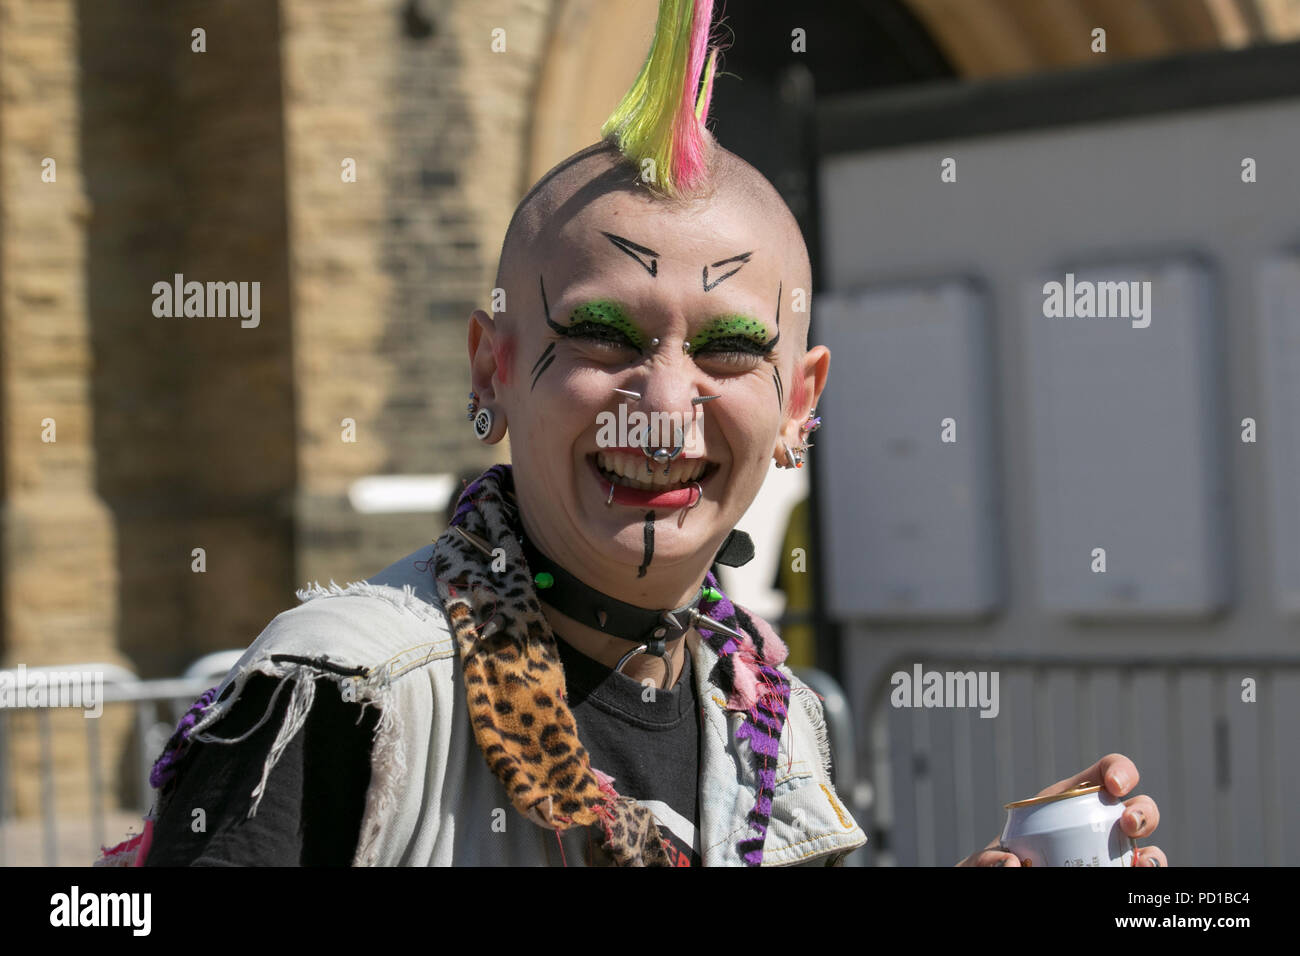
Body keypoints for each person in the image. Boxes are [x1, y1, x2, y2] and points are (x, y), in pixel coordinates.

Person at [99, 0, 1163, 868]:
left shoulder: (774, 721)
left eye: (729, 350)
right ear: (493, 365)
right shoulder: (340, 697)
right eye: (604, 335)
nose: (664, 399)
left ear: (799, 404)